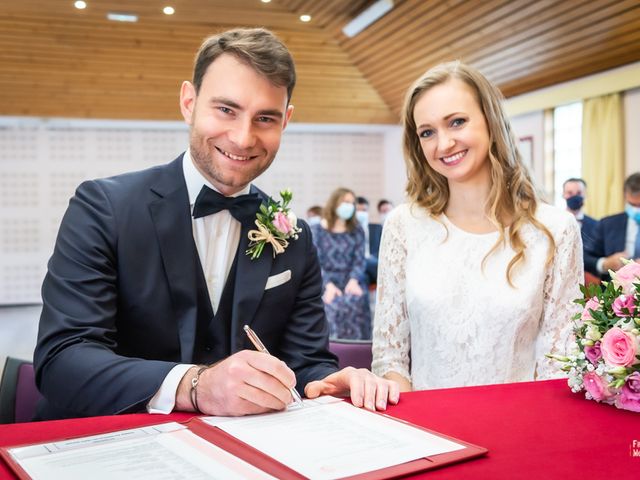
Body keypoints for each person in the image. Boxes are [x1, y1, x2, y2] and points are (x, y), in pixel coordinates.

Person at [34, 28, 398, 420]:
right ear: (188, 102)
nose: (243, 138)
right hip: (109, 442)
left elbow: (305, 361)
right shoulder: (103, 207)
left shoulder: (293, 234)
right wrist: (195, 386)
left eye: (265, 118)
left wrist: (323, 381)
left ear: (286, 121)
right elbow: (62, 361)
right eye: (226, 110)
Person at [372, 61, 582, 392]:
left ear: (490, 120)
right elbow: (390, 359)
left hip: (522, 429)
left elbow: (559, 363)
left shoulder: (555, 230)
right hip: (429, 433)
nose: (443, 144)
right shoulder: (403, 226)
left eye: (456, 122)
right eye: (427, 132)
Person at [311, 188, 372, 340]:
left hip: (351, 279)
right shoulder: (317, 230)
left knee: (356, 301)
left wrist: (353, 281)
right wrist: (328, 286)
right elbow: (315, 263)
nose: (349, 206)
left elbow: (359, 260)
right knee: (332, 305)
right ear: (334, 203)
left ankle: (358, 355)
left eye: (352, 203)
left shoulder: (357, 230)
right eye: (345, 202)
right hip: (325, 281)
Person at [584, 173, 640, 277]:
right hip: (615, 289)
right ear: (625, 197)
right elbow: (585, 257)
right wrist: (604, 263)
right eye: (632, 204)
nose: (637, 210)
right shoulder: (608, 224)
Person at [562, 178, 597, 274]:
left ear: (585, 195)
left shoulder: (596, 225)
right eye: (570, 193)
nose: (574, 196)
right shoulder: (554, 223)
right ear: (563, 194)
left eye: (578, 193)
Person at [355, 196, 382, 285]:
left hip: (374, 264)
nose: (361, 213)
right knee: (363, 278)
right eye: (358, 210)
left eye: (364, 210)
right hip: (357, 265)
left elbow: (382, 250)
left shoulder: (377, 228)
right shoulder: (348, 231)